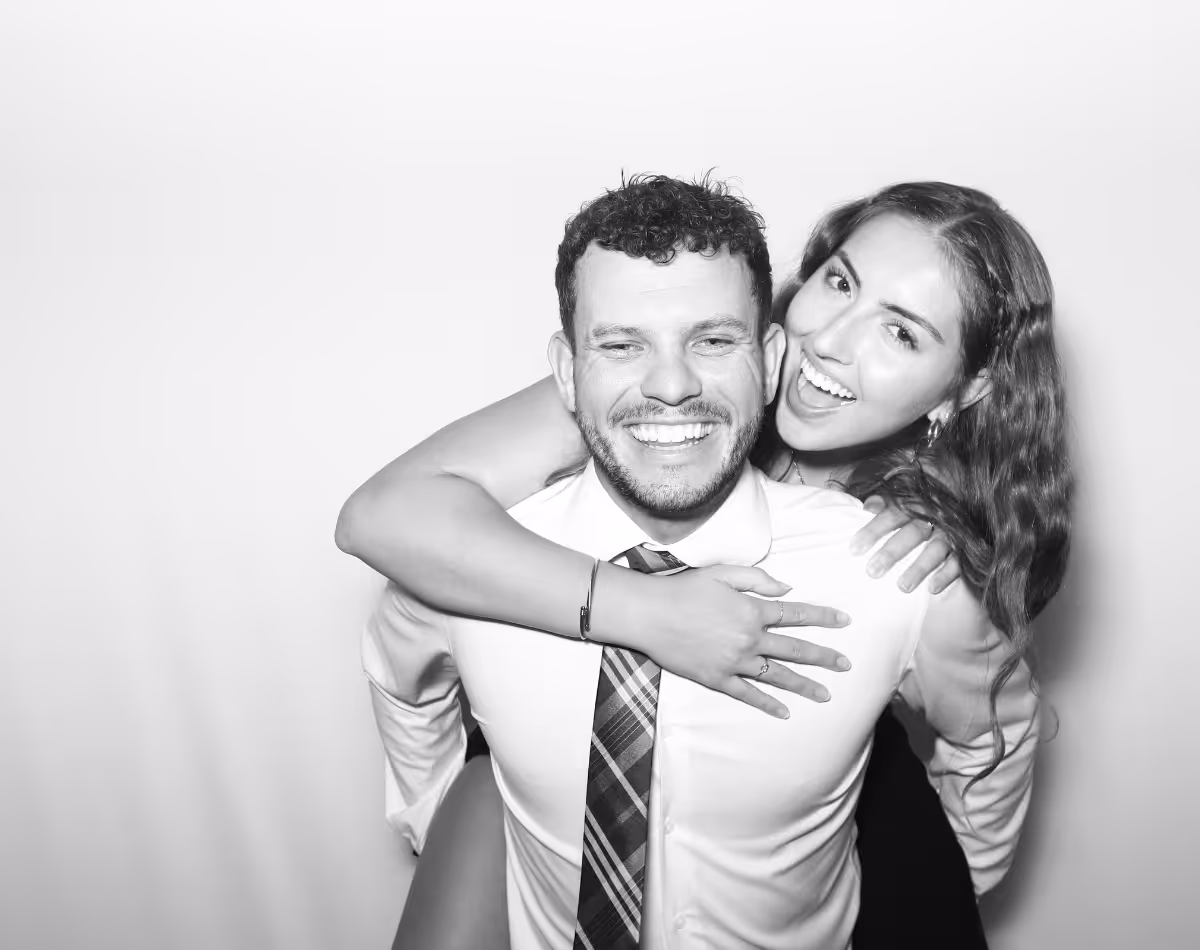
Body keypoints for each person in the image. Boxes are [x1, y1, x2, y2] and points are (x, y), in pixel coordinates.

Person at [340, 175, 1067, 949]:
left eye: (902, 333)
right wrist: (646, 611)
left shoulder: (905, 558)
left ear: (963, 391)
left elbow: (996, 727)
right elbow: (384, 519)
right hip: (558, 712)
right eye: (839, 282)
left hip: (818, 780)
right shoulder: (662, 375)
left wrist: (947, 886)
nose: (831, 339)